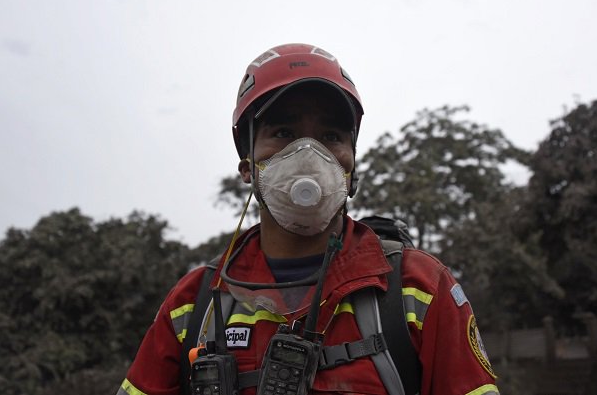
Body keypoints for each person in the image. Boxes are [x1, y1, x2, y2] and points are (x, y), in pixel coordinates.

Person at [116, 43, 500, 395]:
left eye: (331, 136)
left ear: (351, 166)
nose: (308, 154)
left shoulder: (420, 290)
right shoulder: (192, 306)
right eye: (283, 132)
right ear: (247, 166)